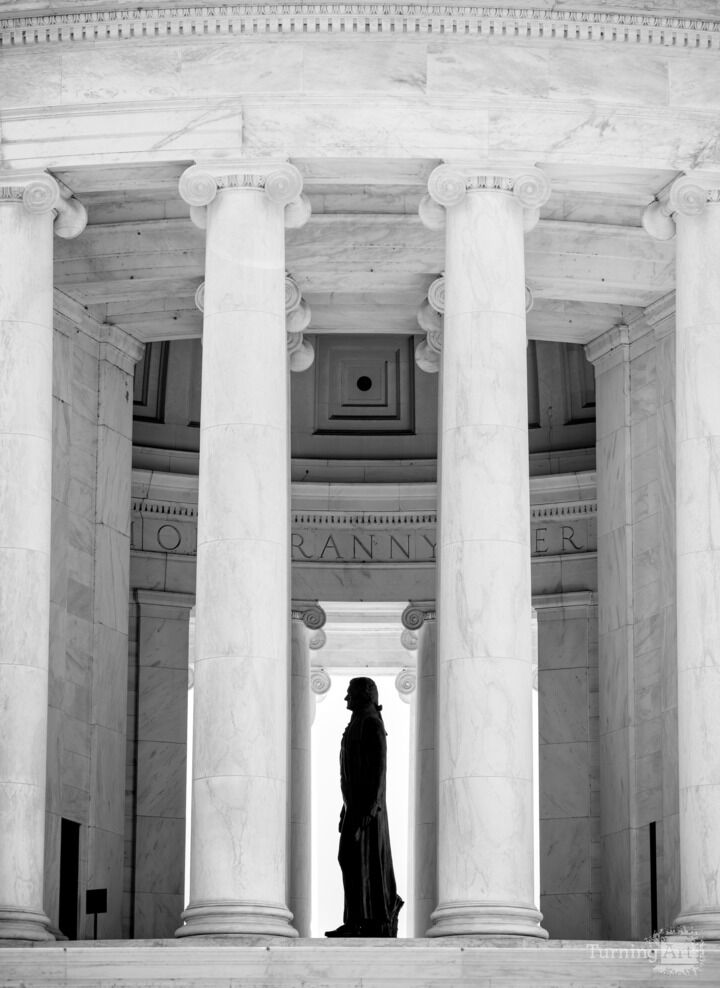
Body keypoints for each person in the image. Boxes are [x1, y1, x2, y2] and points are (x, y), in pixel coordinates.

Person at [325, 677, 403, 938]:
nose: (346, 699)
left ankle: (366, 920)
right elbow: (349, 773)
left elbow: (378, 771)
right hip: (354, 808)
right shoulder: (358, 722)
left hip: (367, 811)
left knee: (362, 862)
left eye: (350, 693)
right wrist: (344, 810)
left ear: (365, 695)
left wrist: (368, 811)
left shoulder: (371, 723)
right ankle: (356, 919)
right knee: (350, 860)